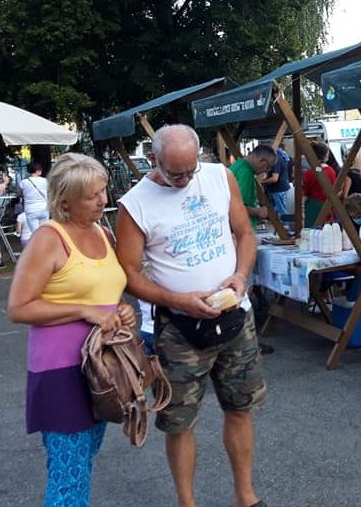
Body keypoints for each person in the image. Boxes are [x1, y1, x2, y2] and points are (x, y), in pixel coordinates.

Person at [115, 124, 266, 507]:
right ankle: (187, 502)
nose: (184, 181)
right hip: (178, 330)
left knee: (240, 408)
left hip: (235, 318)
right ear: (153, 159)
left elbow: (244, 234)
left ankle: (245, 496)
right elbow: (128, 274)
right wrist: (177, 300)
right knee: (179, 423)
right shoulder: (134, 204)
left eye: (189, 171)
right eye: (174, 174)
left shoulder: (219, 177)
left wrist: (240, 276)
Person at [7, 153, 137, 505]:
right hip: (61, 371)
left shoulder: (102, 232)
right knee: (69, 475)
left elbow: (104, 292)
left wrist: (120, 310)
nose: (103, 200)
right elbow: (18, 307)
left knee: (81, 461)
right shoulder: (49, 238)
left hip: (101, 367)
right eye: (92, 196)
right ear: (64, 201)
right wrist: (84, 311)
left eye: (103, 191)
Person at [229, 144, 277, 229]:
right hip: (242, 229)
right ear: (263, 161)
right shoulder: (245, 173)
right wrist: (258, 211)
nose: (266, 171)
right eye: (268, 167)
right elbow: (238, 207)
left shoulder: (238, 166)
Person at [303, 142, 340, 226]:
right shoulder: (331, 171)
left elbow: (305, 192)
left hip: (313, 206)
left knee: (313, 230)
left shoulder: (309, 173)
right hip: (328, 205)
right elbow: (334, 190)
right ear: (326, 155)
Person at [261, 146, 292, 219]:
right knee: (277, 210)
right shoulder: (279, 157)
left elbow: (275, 178)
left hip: (278, 189)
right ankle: (280, 223)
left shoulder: (276, 160)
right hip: (277, 189)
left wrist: (262, 181)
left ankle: (283, 224)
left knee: (281, 211)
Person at [19, 162, 49, 235]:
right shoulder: (45, 181)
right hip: (44, 209)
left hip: (31, 210)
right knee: (44, 233)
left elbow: (19, 193)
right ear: (36, 170)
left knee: (35, 234)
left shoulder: (24, 182)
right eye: (40, 169)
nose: (41, 170)